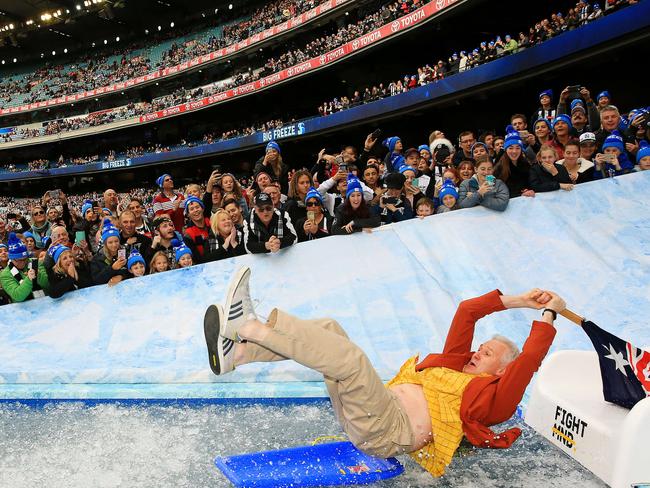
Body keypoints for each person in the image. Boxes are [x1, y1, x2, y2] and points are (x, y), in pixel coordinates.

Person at [204, 267, 565, 478]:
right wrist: (521, 300)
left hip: (388, 431)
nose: (478, 352)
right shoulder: (453, 364)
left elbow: (530, 359)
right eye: (481, 347)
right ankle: (239, 352)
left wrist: (550, 314)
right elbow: (467, 311)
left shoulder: (493, 402)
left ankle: (248, 326)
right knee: (330, 328)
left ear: (502, 371)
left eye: (487, 354)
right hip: (372, 409)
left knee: (352, 361)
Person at [0, 233, 49, 303]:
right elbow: (17, 295)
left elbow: (48, 284)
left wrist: (38, 274)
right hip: (23, 310)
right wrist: (29, 279)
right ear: (12, 259)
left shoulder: (36, 263)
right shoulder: (5, 275)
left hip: (46, 303)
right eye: (19, 260)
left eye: (25, 259)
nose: (22, 262)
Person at [494, 128, 534, 198]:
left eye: (518, 148)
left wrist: (529, 190)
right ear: (506, 150)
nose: (514, 151)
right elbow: (497, 192)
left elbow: (531, 182)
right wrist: (520, 194)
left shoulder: (525, 164)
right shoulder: (499, 168)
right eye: (511, 148)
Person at [90, 219, 130, 286]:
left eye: (116, 241)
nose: (114, 245)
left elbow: (132, 271)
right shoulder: (97, 259)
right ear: (105, 243)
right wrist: (112, 268)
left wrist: (121, 276)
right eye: (110, 242)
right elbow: (96, 280)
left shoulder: (125, 253)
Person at [182, 196, 211, 261]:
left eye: (197, 207)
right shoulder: (188, 234)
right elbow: (196, 258)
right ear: (188, 214)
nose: (195, 210)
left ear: (202, 209)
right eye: (191, 209)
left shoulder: (213, 223)